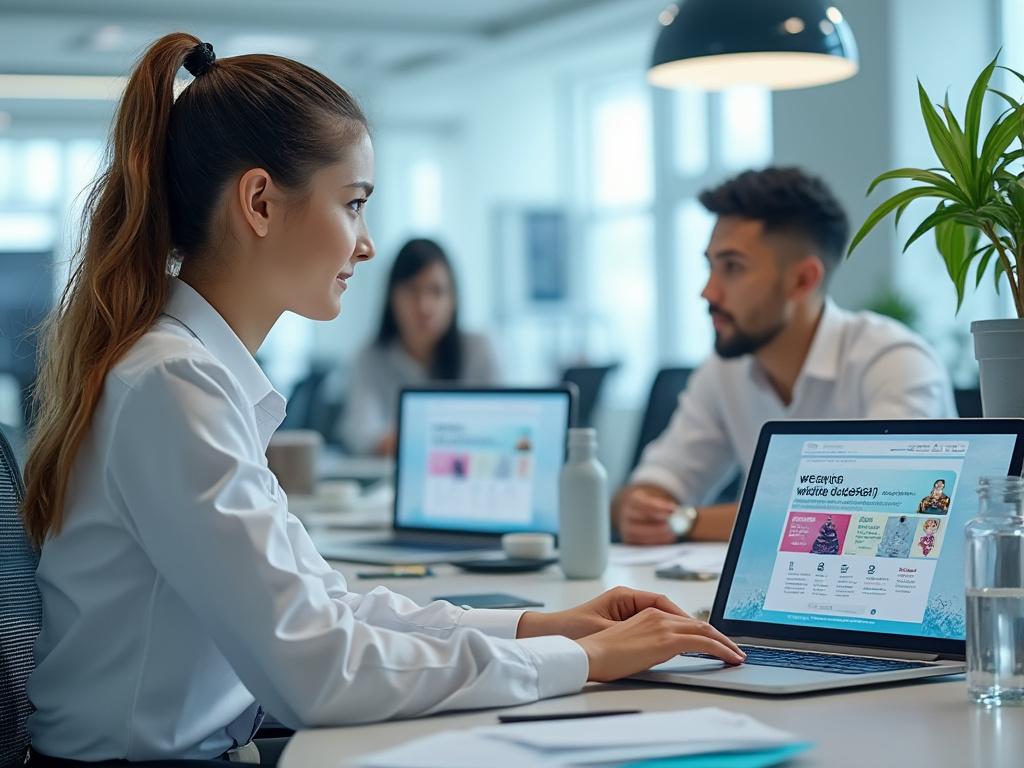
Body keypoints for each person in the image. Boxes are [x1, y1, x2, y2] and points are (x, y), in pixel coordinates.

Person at [19, 33, 744, 765]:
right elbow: (321, 673)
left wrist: (545, 628)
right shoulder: (174, 383)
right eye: (354, 204)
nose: (365, 245)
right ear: (260, 202)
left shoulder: (185, 371)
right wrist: (584, 661)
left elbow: (328, 610)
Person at [613, 167, 955, 546]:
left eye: (732, 267)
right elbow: (652, 486)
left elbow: (888, 509)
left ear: (802, 280)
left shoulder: (894, 361)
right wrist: (641, 508)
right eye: (710, 266)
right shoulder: (724, 371)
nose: (708, 292)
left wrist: (687, 521)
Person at [339, 238, 500, 456]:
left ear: (454, 299)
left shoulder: (479, 350)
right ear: (392, 298)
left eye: (436, 291)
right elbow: (361, 433)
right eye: (412, 290)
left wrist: (413, 438)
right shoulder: (370, 357)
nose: (424, 306)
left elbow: (500, 425)